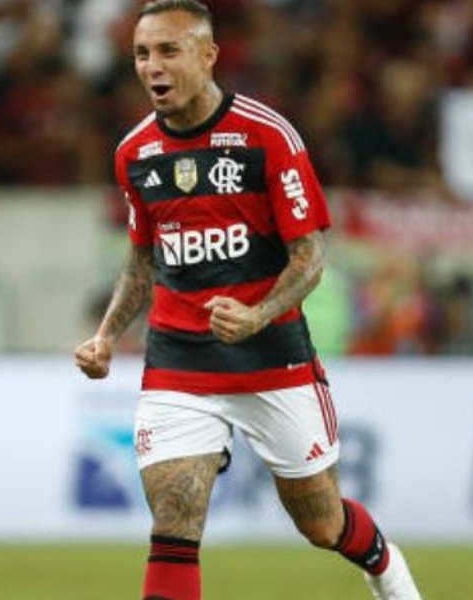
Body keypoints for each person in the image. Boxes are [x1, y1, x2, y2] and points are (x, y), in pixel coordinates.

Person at [74, 2, 423, 599]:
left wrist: (258, 313)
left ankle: (387, 568)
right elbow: (141, 260)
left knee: (321, 523)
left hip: (272, 359)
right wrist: (107, 335)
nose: (151, 67)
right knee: (174, 519)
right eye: (141, 54)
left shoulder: (266, 137)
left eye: (167, 51)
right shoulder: (135, 154)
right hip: (179, 361)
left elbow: (310, 257)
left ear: (208, 55)